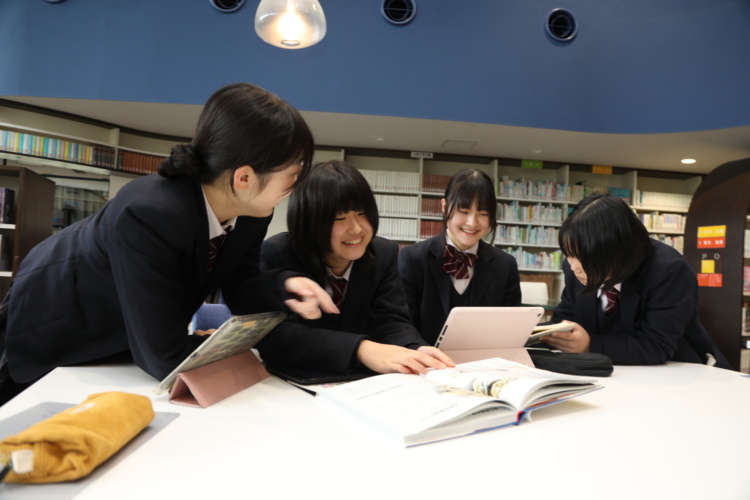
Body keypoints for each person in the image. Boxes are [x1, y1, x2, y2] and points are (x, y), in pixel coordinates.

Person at [0, 83, 337, 405]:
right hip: (55, 319)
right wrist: (214, 348)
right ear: (244, 178)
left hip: (125, 340)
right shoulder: (148, 212)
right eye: (293, 174)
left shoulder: (253, 213)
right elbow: (163, 356)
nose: (297, 184)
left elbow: (240, 285)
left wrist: (284, 285)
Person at [257, 160, 453, 375]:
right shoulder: (276, 255)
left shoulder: (383, 253)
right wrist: (360, 349)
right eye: (339, 218)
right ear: (309, 221)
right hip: (291, 381)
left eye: (362, 213)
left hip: (358, 383)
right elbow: (276, 338)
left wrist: (413, 348)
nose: (357, 228)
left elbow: (390, 320)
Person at [545, 192, 729, 368]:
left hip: (677, 373)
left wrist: (590, 345)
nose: (573, 265)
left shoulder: (667, 269)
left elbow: (657, 345)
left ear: (616, 250)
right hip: (611, 373)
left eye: (582, 256)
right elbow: (565, 320)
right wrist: (529, 332)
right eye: (568, 254)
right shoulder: (575, 270)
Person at [398, 169, 522, 345]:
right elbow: (400, 322)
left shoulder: (505, 265)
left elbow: (512, 327)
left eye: (483, 214)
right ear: (444, 206)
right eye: (463, 211)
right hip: (425, 364)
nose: (472, 223)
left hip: (485, 365)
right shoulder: (413, 258)